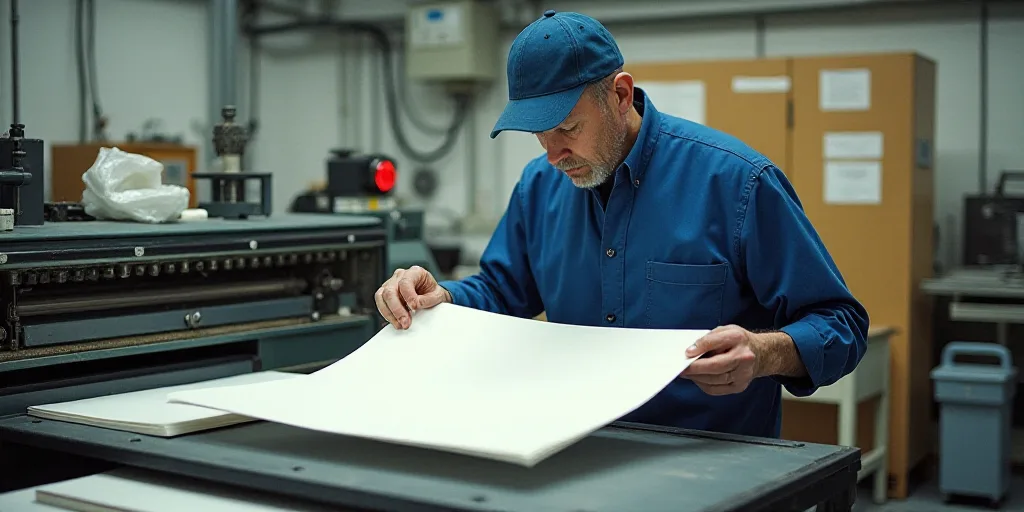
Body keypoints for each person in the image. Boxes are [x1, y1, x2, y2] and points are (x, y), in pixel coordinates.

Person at [374, 9, 869, 438]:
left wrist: (763, 353)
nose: (554, 155)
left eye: (568, 128)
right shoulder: (539, 187)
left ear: (620, 95)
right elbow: (504, 290)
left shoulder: (737, 184)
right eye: (539, 136)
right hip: (574, 451)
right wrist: (443, 296)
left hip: (714, 465)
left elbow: (841, 325)